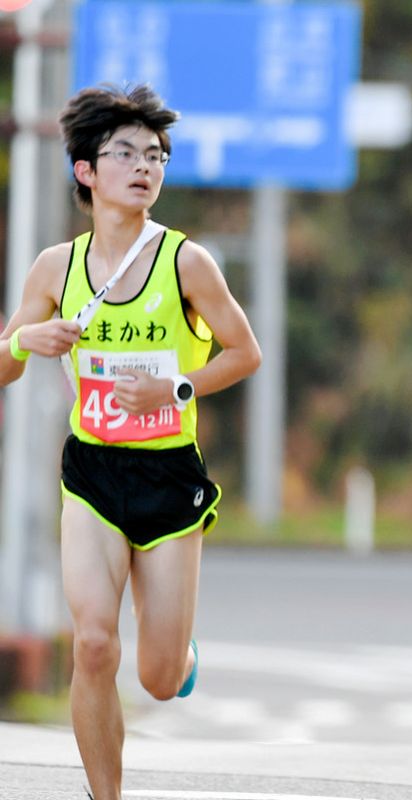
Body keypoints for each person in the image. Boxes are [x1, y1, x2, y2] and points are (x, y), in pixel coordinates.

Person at [0, 84, 261, 800]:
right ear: (86, 170)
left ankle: (178, 657)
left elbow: (245, 353)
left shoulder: (187, 263)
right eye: (126, 154)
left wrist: (174, 386)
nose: (145, 167)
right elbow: (6, 363)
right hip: (91, 473)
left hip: (170, 476)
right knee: (91, 644)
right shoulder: (56, 267)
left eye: (156, 156)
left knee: (156, 677)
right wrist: (26, 336)